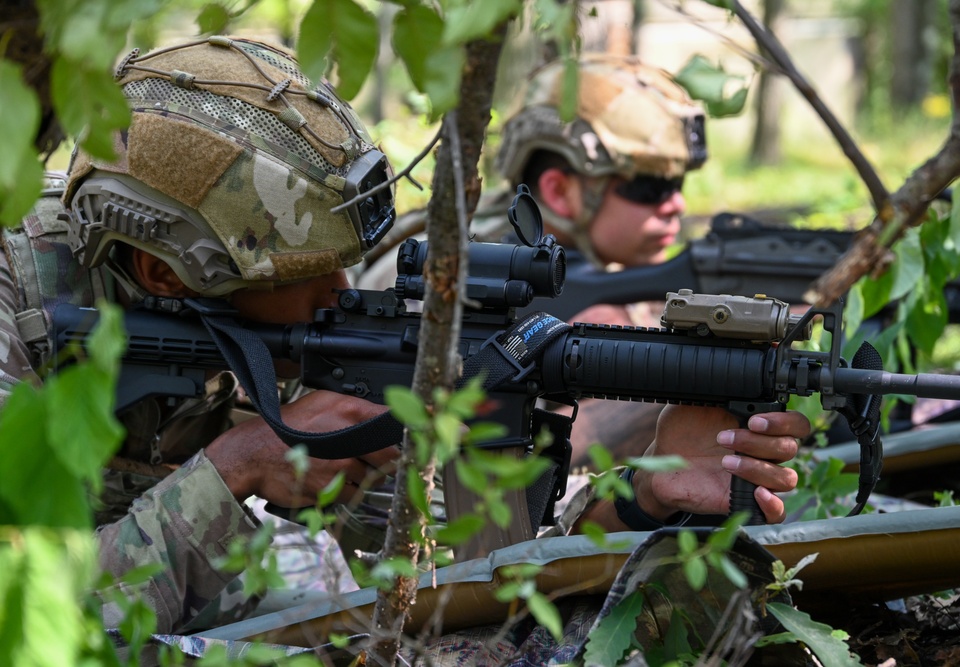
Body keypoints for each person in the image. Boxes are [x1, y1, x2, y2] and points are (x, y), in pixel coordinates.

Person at [0, 36, 806, 647]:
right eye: (313, 274)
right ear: (167, 272)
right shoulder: (17, 298)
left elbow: (462, 579)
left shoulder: (262, 320)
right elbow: (23, 622)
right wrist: (235, 467)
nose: (344, 297)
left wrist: (642, 492)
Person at [359, 55, 717, 467]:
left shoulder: (610, 271)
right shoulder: (442, 269)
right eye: (651, 186)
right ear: (559, 190)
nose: (677, 204)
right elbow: (429, 470)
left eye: (678, 183)